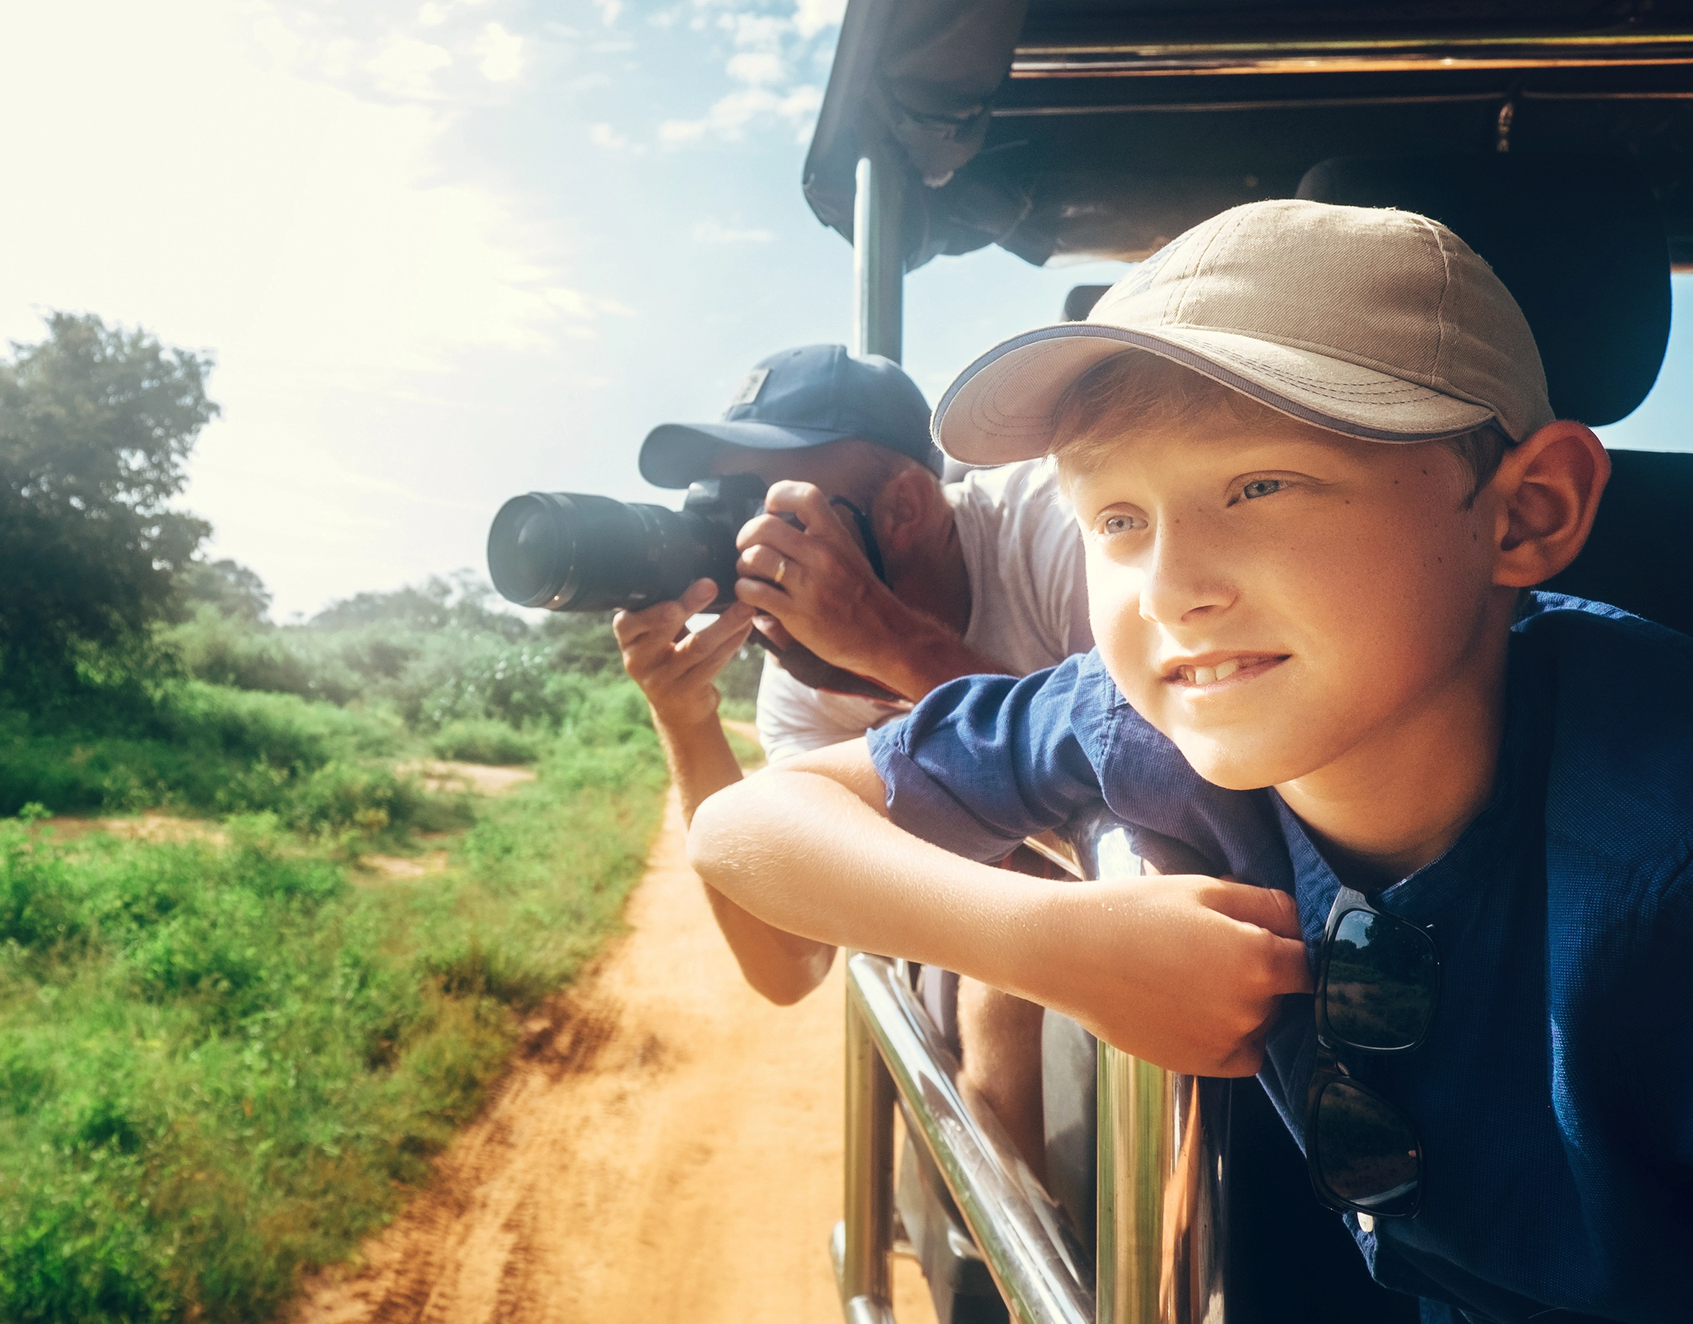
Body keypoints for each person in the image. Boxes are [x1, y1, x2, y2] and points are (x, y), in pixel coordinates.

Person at [686, 200, 1692, 1323]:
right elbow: (744, 827)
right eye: (1114, 518)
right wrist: (1053, 943)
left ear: (1526, 517)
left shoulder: (1656, 854)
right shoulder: (1140, 720)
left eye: (1257, 487)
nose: (1168, 588)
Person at [613, 342, 1092, 1164]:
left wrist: (894, 645)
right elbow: (789, 965)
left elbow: (1157, 775)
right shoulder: (804, 681)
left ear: (904, 508)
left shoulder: (1060, 528)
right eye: (724, 509)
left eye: (772, 510)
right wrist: (686, 719)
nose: (745, 549)